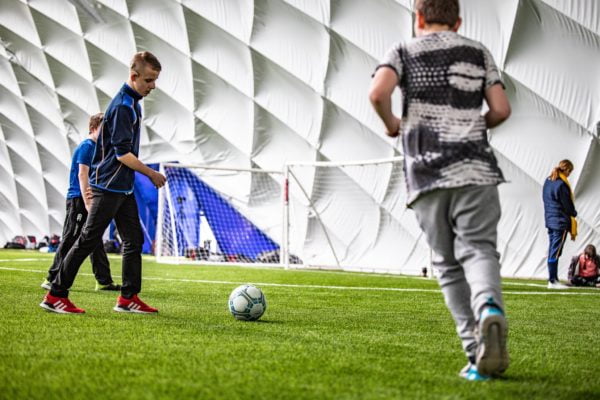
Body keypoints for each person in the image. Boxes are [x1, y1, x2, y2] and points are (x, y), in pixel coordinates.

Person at [369, 0, 511, 381]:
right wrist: (471, 124)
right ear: (458, 21)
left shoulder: (402, 50)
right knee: (480, 249)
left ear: (418, 18)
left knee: (447, 266)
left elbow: (377, 94)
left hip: (427, 172)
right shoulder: (479, 51)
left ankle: (473, 350)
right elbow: (500, 110)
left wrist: (392, 124)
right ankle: (490, 309)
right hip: (476, 170)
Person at [40, 51, 166, 314]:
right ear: (134, 77)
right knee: (87, 239)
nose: (153, 85)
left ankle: (127, 297)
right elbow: (122, 154)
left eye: (154, 80)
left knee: (133, 239)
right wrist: (151, 174)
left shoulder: (134, 103)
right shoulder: (122, 106)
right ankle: (55, 295)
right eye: (149, 80)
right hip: (108, 186)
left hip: (122, 186)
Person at [40, 113, 121, 292]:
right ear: (93, 129)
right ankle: (51, 278)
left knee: (94, 239)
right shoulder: (87, 147)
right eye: (104, 128)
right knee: (70, 237)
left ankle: (104, 281)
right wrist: (87, 201)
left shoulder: (100, 150)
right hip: (78, 199)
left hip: (89, 199)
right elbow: (82, 174)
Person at [542, 159, 577, 289]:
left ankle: (553, 279)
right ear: (566, 170)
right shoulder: (562, 185)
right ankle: (552, 281)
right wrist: (574, 213)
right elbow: (567, 205)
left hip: (550, 219)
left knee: (552, 249)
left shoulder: (548, 180)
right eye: (570, 172)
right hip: (560, 221)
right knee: (555, 251)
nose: (569, 175)